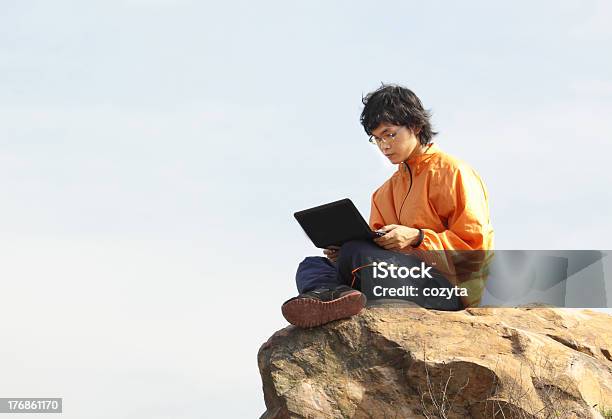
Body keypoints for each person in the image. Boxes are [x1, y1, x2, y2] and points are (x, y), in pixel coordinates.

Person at [281, 84, 494, 328]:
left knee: (356, 253)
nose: (384, 146)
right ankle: (334, 296)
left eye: (390, 134)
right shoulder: (383, 193)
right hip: (397, 277)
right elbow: (373, 250)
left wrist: (418, 237)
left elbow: (475, 251)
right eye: (377, 139)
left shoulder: (454, 173)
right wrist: (340, 254)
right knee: (312, 265)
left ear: (415, 126)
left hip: (447, 289)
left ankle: (334, 294)